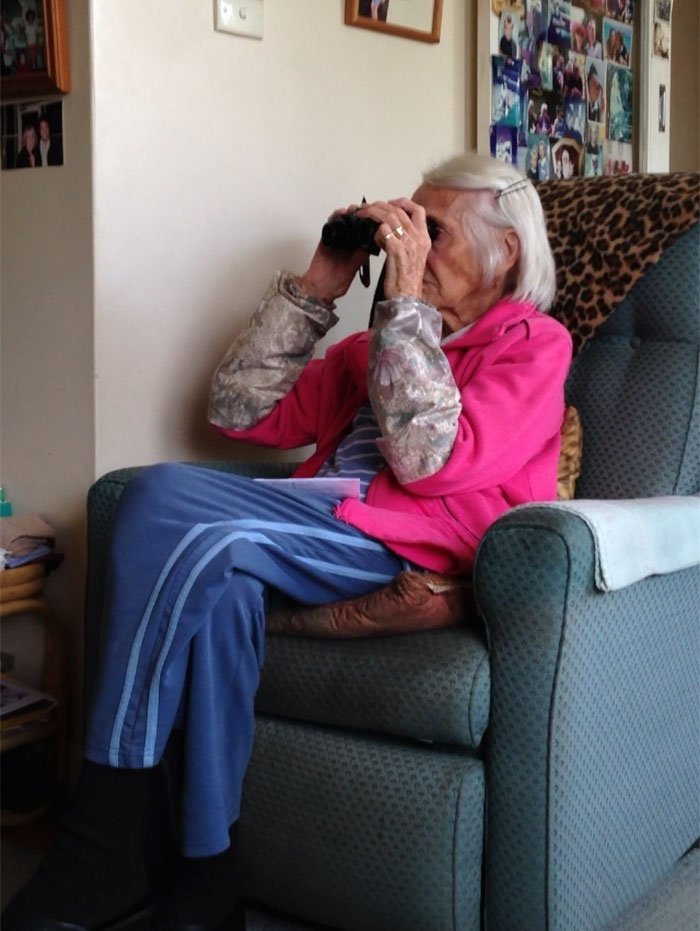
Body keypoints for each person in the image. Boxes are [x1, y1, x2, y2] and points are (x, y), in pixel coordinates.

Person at [2, 152, 572, 931]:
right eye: (409, 224)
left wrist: (403, 308)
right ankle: (208, 877)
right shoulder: (373, 347)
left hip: (408, 537)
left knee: (173, 506)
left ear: (507, 250)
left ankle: (103, 835)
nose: (414, 244)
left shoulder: (534, 345)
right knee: (198, 556)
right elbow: (238, 410)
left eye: (433, 230)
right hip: (319, 514)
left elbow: (428, 463)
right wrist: (320, 283)